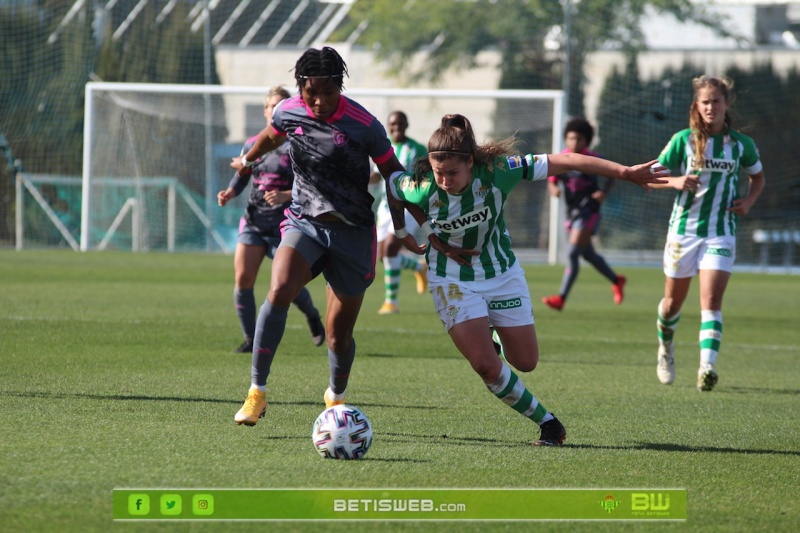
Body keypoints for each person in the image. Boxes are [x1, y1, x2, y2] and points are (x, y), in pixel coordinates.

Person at [387, 114, 667, 445]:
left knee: (525, 361)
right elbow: (393, 186)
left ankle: (489, 329)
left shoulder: (498, 172)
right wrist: (412, 233)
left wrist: (624, 173)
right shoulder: (422, 186)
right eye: (439, 173)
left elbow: (565, 160)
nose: (445, 181)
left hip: (501, 273)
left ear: (472, 162)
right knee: (486, 366)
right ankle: (548, 423)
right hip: (451, 278)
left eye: (453, 173)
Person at [229, 47, 417, 426]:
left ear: (340, 87)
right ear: (301, 87)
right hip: (304, 222)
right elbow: (270, 135)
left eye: (328, 92)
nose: (319, 100)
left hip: (352, 233)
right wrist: (248, 161)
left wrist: (407, 227)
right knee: (280, 288)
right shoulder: (289, 110)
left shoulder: (365, 124)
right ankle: (256, 392)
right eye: (311, 92)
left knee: (337, 338)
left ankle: (336, 396)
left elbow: (395, 175)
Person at [650, 75, 765, 391]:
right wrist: (674, 181)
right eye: (705, 102)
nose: (711, 107)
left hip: (721, 232)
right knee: (673, 303)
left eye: (716, 101)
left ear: (727, 104)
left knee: (711, 300)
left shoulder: (742, 145)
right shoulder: (682, 140)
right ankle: (666, 349)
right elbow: (649, 178)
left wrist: (749, 202)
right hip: (683, 233)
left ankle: (707, 367)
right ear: (697, 107)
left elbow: (758, 178)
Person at [217, 86, 325, 354]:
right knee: (243, 278)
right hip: (254, 221)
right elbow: (243, 173)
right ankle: (250, 339)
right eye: (272, 105)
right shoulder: (253, 144)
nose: (276, 109)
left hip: (286, 225)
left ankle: (312, 315)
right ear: (265, 111)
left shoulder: (297, 144)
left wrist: (286, 195)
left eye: (282, 105)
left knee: (286, 284)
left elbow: (311, 185)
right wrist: (230, 192)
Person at [541, 117, 626, 311]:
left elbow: (613, 175)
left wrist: (604, 193)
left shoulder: (593, 159)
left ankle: (561, 297)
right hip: (572, 212)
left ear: (586, 140)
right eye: (570, 138)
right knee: (587, 254)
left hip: (590, 211)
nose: (574, 143)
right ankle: (616, 280)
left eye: (578, 139)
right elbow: (551, 179)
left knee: (572, 253)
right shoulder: (561, 159)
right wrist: (553, 188)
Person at [370, 111, 428, 315]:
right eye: (393, 124)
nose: (396, 127)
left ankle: (391, 302)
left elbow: (426, 174)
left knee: (391, 249)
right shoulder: (385, 147)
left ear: (406, 124)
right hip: (386, 207)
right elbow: (377, 175)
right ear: (388, 125)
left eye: (400, 123)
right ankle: (419, 268)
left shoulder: (417, 149)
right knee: (380, 255)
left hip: (409, 208)